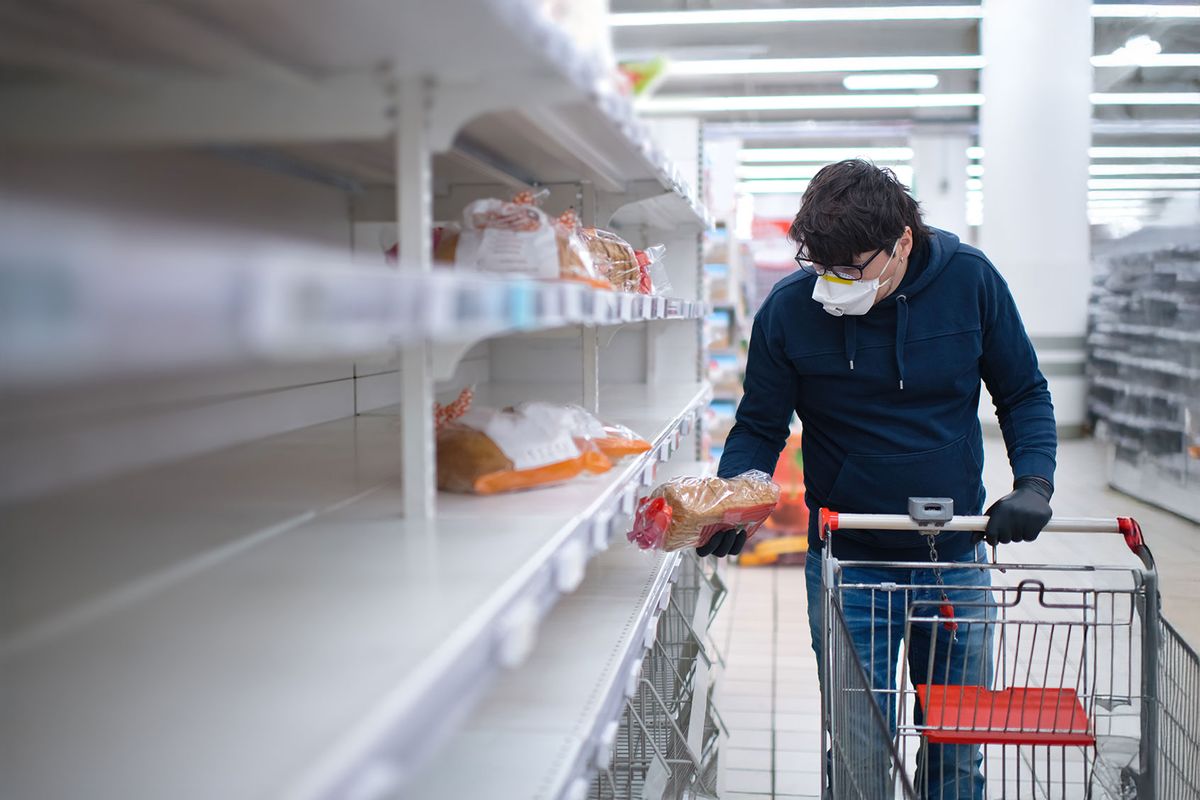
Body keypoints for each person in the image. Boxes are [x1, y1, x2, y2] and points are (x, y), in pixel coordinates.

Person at [700, 160, 1056, 799]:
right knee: (860, 753)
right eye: (823, 267)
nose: (835, 282)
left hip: (953, 560)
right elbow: (758, 425)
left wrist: (1034, 482)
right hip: (847, 565)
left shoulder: (971, 281)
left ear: (904, 243)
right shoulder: (789, 311)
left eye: (853, 268)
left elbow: (1023, 391)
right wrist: (736, 497)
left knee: (958, 746)